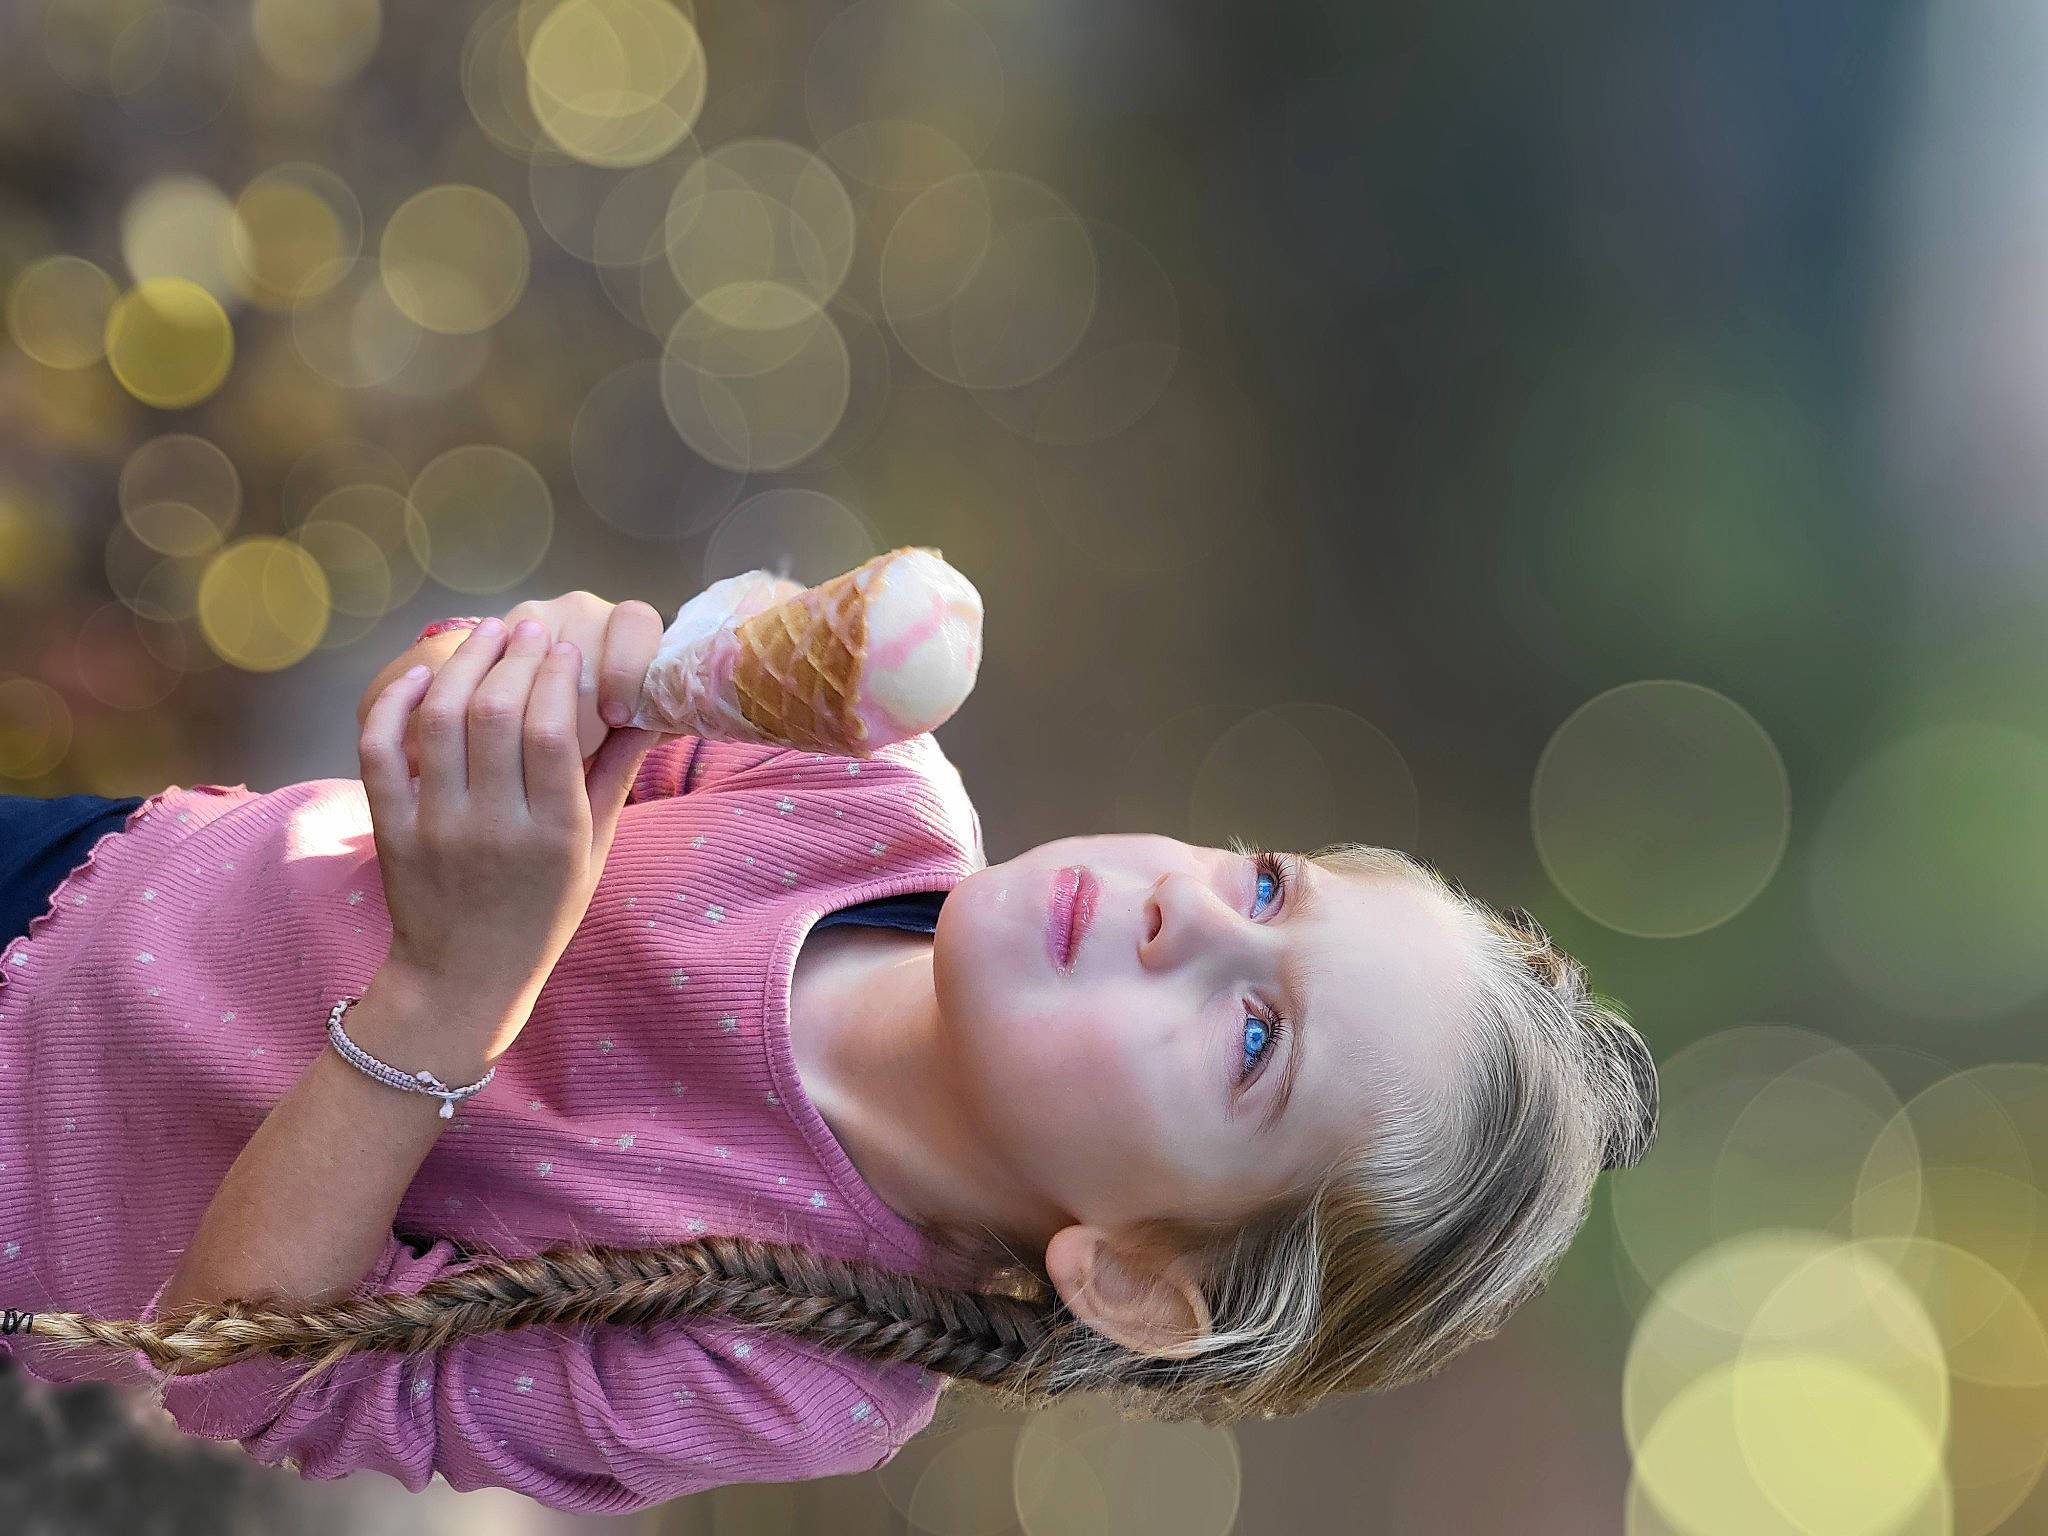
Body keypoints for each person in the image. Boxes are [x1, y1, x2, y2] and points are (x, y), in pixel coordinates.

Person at [0, 590, 1657, 1515]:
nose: (1187, 920)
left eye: (1249, 1034)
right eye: (1269, 887)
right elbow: (444, 734)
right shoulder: (859, 790)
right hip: (73, 869)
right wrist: (522, 683)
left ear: (1144, 1278)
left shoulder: (791, 1365)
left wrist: (456, 990)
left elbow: (234, 1373)